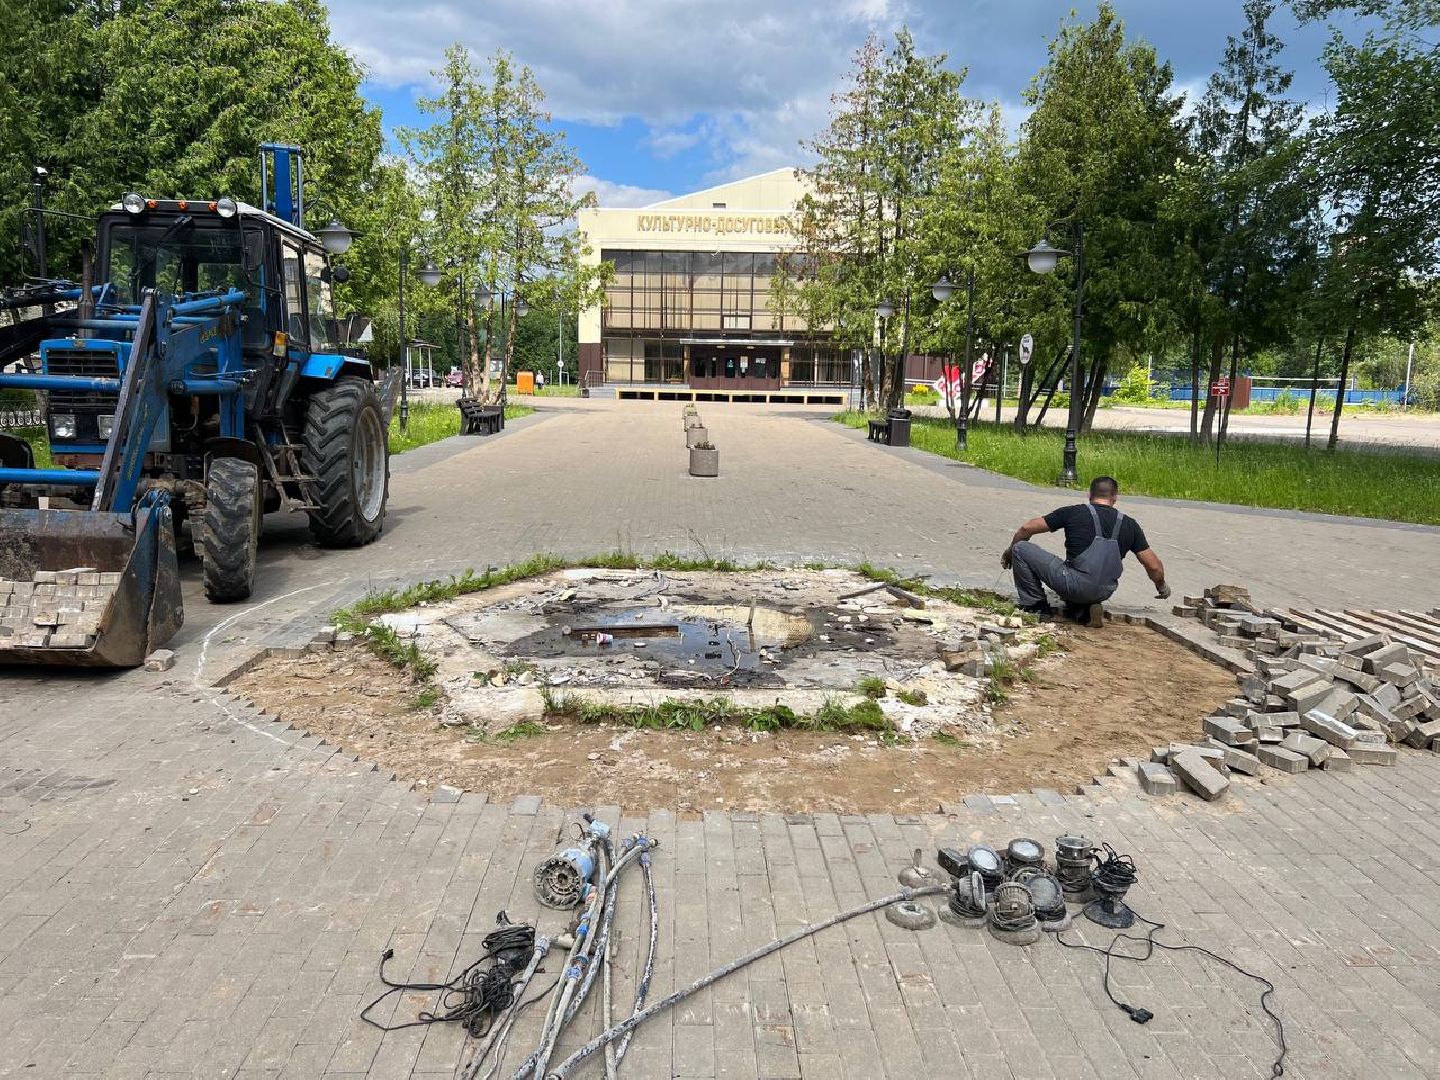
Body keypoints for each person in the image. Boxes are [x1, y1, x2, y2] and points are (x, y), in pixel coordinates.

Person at [1001, 476, 1170, 625]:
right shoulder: (1130, 525)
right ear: (1115, 498)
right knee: (1076, 582)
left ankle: (1036, 606)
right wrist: (1161, 586)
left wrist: (1010, 552)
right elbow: (1153, 566)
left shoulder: (1073, 512)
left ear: (1089, 495)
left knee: (1021, 548)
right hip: (1104, 590)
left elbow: (1026, 528)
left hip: (1074, 584)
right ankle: (1083, 611)